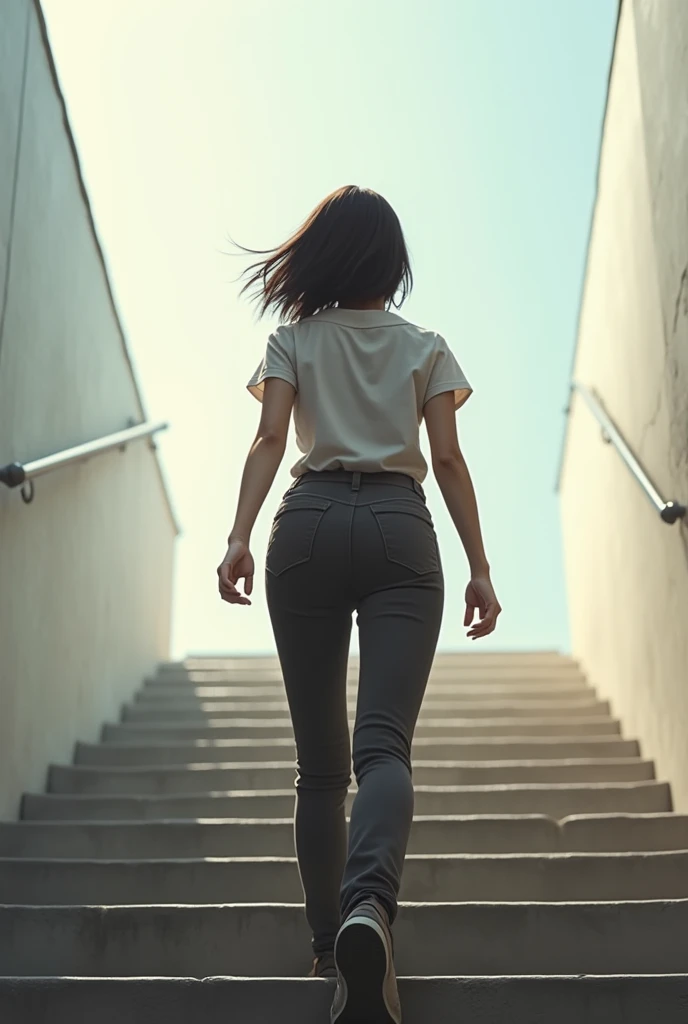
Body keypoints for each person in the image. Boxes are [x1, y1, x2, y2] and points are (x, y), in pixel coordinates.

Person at [217, 185, 501, 1024]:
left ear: (324, 256)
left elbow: (271, 438)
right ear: (394, 261)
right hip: (397, 530)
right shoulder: (426, 347)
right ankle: (369, 911)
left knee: (320, 766)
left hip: (303, 527)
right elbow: (446, 461)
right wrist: (481, 565)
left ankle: (324, 943)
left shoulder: (292, 339)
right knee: (385, 751)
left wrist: (237, 536)